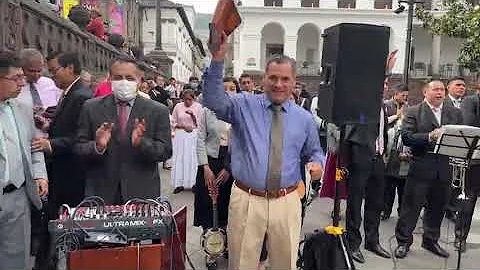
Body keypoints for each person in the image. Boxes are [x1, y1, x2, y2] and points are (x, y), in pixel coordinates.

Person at [203, 32, 324, 270]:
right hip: (248, 199)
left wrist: (317, 164)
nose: (279, 84)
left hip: (287, 201)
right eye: (273, 78)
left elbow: (315, 151)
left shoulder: (304, 118)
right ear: (264, 79)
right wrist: (217, 59)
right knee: (241, 263)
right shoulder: (242, 105)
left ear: (294, 81)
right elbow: (213, 100)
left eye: (285, 79)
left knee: (285, 263)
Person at [75, 56, 172, 204]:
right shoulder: (91, 108)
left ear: (140, 80)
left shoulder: (158, 111)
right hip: (101, 194)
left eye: (129, 78)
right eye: (118, 77)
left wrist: (141, 142)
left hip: (141, 195)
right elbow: (78, 148)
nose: (123, 82)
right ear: (110, 79)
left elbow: (165, 151)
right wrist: (98, 146)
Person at [394, 80, 463, 259]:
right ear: (425, 92)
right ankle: (403, 242)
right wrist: (429, 136)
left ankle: (431, 240)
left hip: (444, 168)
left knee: (438, 206)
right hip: (421, 166)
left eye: (442, 89)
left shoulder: (454, 113)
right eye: (435, 89)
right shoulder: (414, 111)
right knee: (411, 207)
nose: (440, 92)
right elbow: (407, 138)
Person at [0, 50, 48, 269]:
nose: (22, 83)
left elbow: (34, 147)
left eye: (22, 76)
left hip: (18, 196)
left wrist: (39, 174)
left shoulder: (22, 109)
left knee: (15, 260)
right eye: (16, 78)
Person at [194, 78, 236, 267]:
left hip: (232, 162)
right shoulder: (206, 111)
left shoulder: (239, 113)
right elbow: (200, 139)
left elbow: (242, 143)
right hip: (210, 161)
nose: (227, 91)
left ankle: (226, 245)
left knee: (227, 205)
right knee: (208, 203)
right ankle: (210, 249)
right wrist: (205, 166)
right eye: (224, 88)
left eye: (232, 88)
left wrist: (229, 167)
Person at [170, 89, 203, 194]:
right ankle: (179, 184)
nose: (187, 102)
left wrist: (193, 116)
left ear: (193, 99)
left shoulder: (198, 107)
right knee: (180, 158)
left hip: (193, 135)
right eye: (185, 99)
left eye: (189, 99)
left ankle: (193, 183)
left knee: (192, 159)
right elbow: (172, 122)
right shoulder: (178, 106)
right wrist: (182, 126)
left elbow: (200, 124)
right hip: (180, 134)